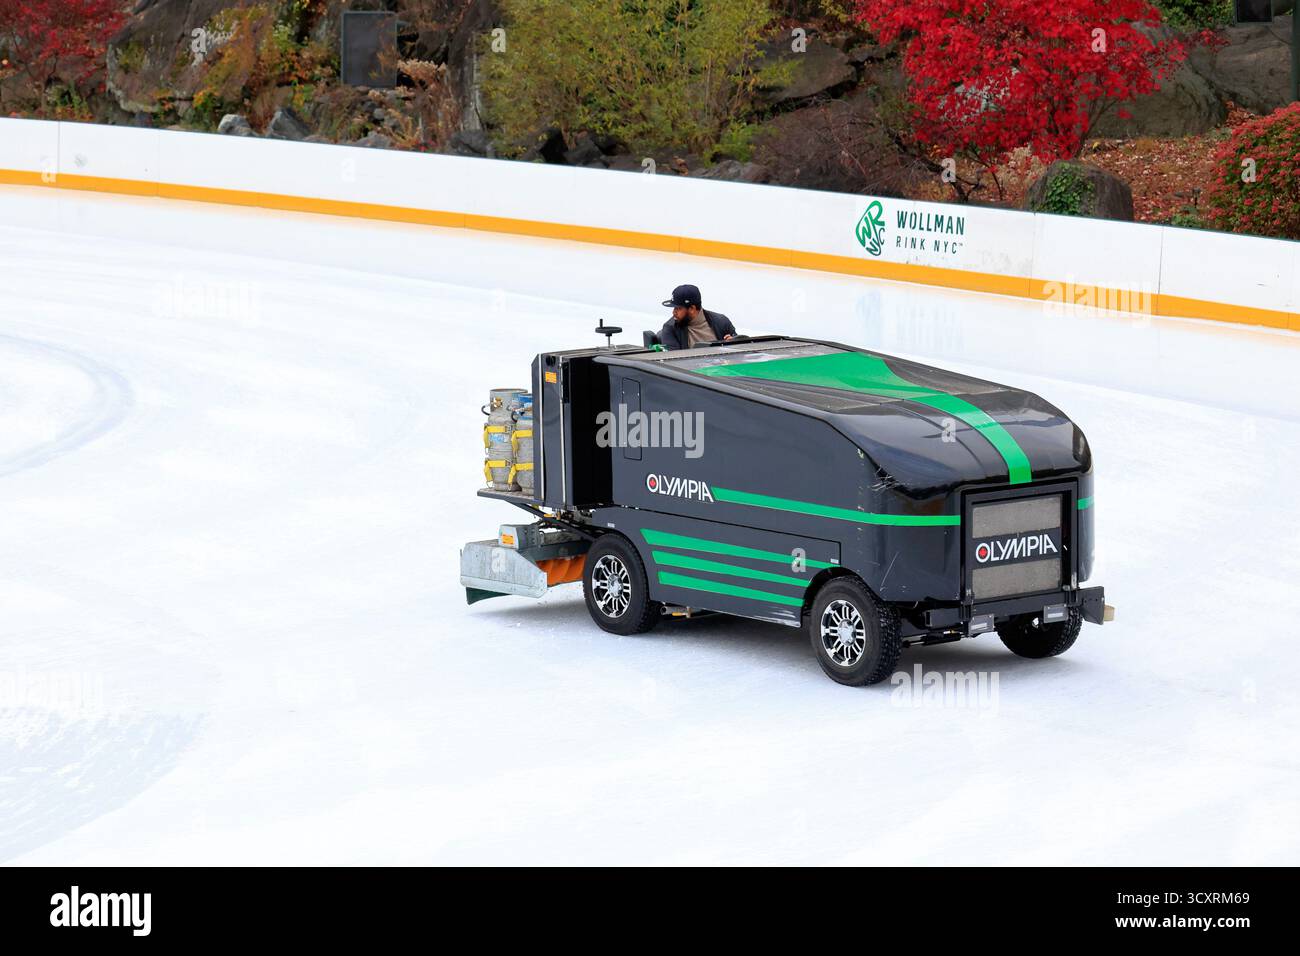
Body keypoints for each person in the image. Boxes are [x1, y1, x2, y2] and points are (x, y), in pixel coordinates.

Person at [657, 285, 737, 351]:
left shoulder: (721, 322)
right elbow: (674, 361)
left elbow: (740, 350)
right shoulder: (670, 328)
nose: (674, 312)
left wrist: (733, 345)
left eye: (678, 308)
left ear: (692, 308)